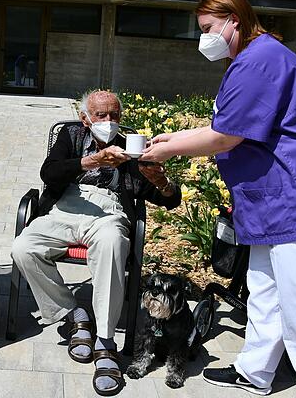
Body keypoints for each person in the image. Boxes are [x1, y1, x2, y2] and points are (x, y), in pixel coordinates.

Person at [139, 0, 296, 398]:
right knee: (263, 287)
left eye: (208, 28)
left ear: (234, 22)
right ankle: (256, 371)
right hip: (275, 201)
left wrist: (166, 149)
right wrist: (173, 135)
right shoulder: (254, 59)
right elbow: (231, 128)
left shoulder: (258, 63)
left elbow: (226, 137)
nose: (203, 38)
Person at [11, 90, 181, 396]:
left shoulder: (131, 148)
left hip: (108, 209)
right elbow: (48, 173)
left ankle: (105, 342)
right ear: (85, 119)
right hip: (65, 206)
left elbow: (168, 200)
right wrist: (90, 161)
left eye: (114, 115)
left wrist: (162, 183)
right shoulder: (70, 135)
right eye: (101, 115)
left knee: (113, 242)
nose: (108, 121)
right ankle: (72, 313)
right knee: (23, 248)